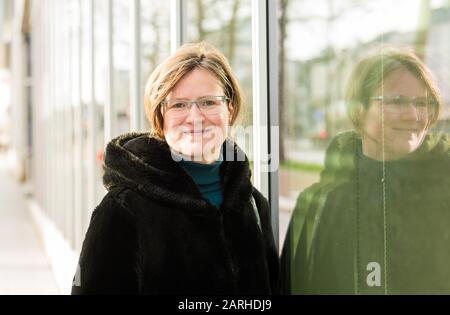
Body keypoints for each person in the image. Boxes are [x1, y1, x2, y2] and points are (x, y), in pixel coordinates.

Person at [72, 42, 279, 294]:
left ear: (229, 108)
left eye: (209, 102)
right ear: (161, 116)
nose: (195, 118)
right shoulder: (122, 210)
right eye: (179, 105)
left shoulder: (255, 206)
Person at [281, 47, 450, 294]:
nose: (413, 115)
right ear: (359, 109)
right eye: (396, 101)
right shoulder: (319, 203)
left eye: (422, 103)